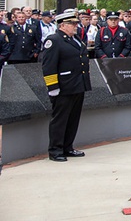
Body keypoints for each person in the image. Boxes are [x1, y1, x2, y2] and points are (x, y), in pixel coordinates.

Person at [41, 10, 92, 162]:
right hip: (63, 87)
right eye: (72, 23)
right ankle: (55, 150)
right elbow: (48, 66)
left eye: (76, 23)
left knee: (73, 119)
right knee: (60, 120)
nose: (76, 26)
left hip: (77, 85)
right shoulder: (54, 40)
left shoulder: (75, 39)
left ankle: (67, 147)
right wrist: (53, 87)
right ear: (62, 25)